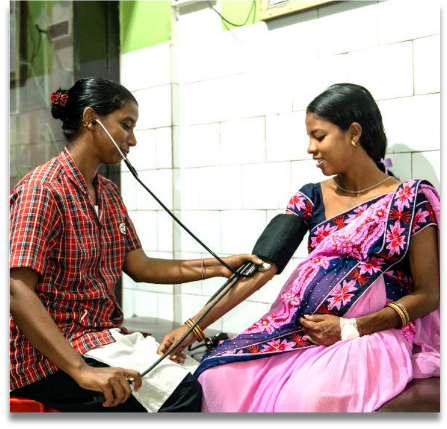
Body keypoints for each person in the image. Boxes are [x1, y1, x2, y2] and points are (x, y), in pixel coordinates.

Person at [157, 83, 440, 412]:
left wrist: (352, 327)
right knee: (218, 378)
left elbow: (429, 293)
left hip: (366, 339)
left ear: (353, 133)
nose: (310, 148)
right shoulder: (312, 196)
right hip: (298, 332)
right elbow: (261, 266)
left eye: (319, 136)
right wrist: (193, 327)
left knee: (306, 399)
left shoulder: (409, 200)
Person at [9, 77, 262, 413]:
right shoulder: (43, 190)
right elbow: (16, 290)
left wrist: (220, 266)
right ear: (90, 119)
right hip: (46, 356)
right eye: (125, 125)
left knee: (203, 376)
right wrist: (81, 371)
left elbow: (140, 266)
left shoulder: (108, 195)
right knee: (181, 394)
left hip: (97, 339)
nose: (133, 139)